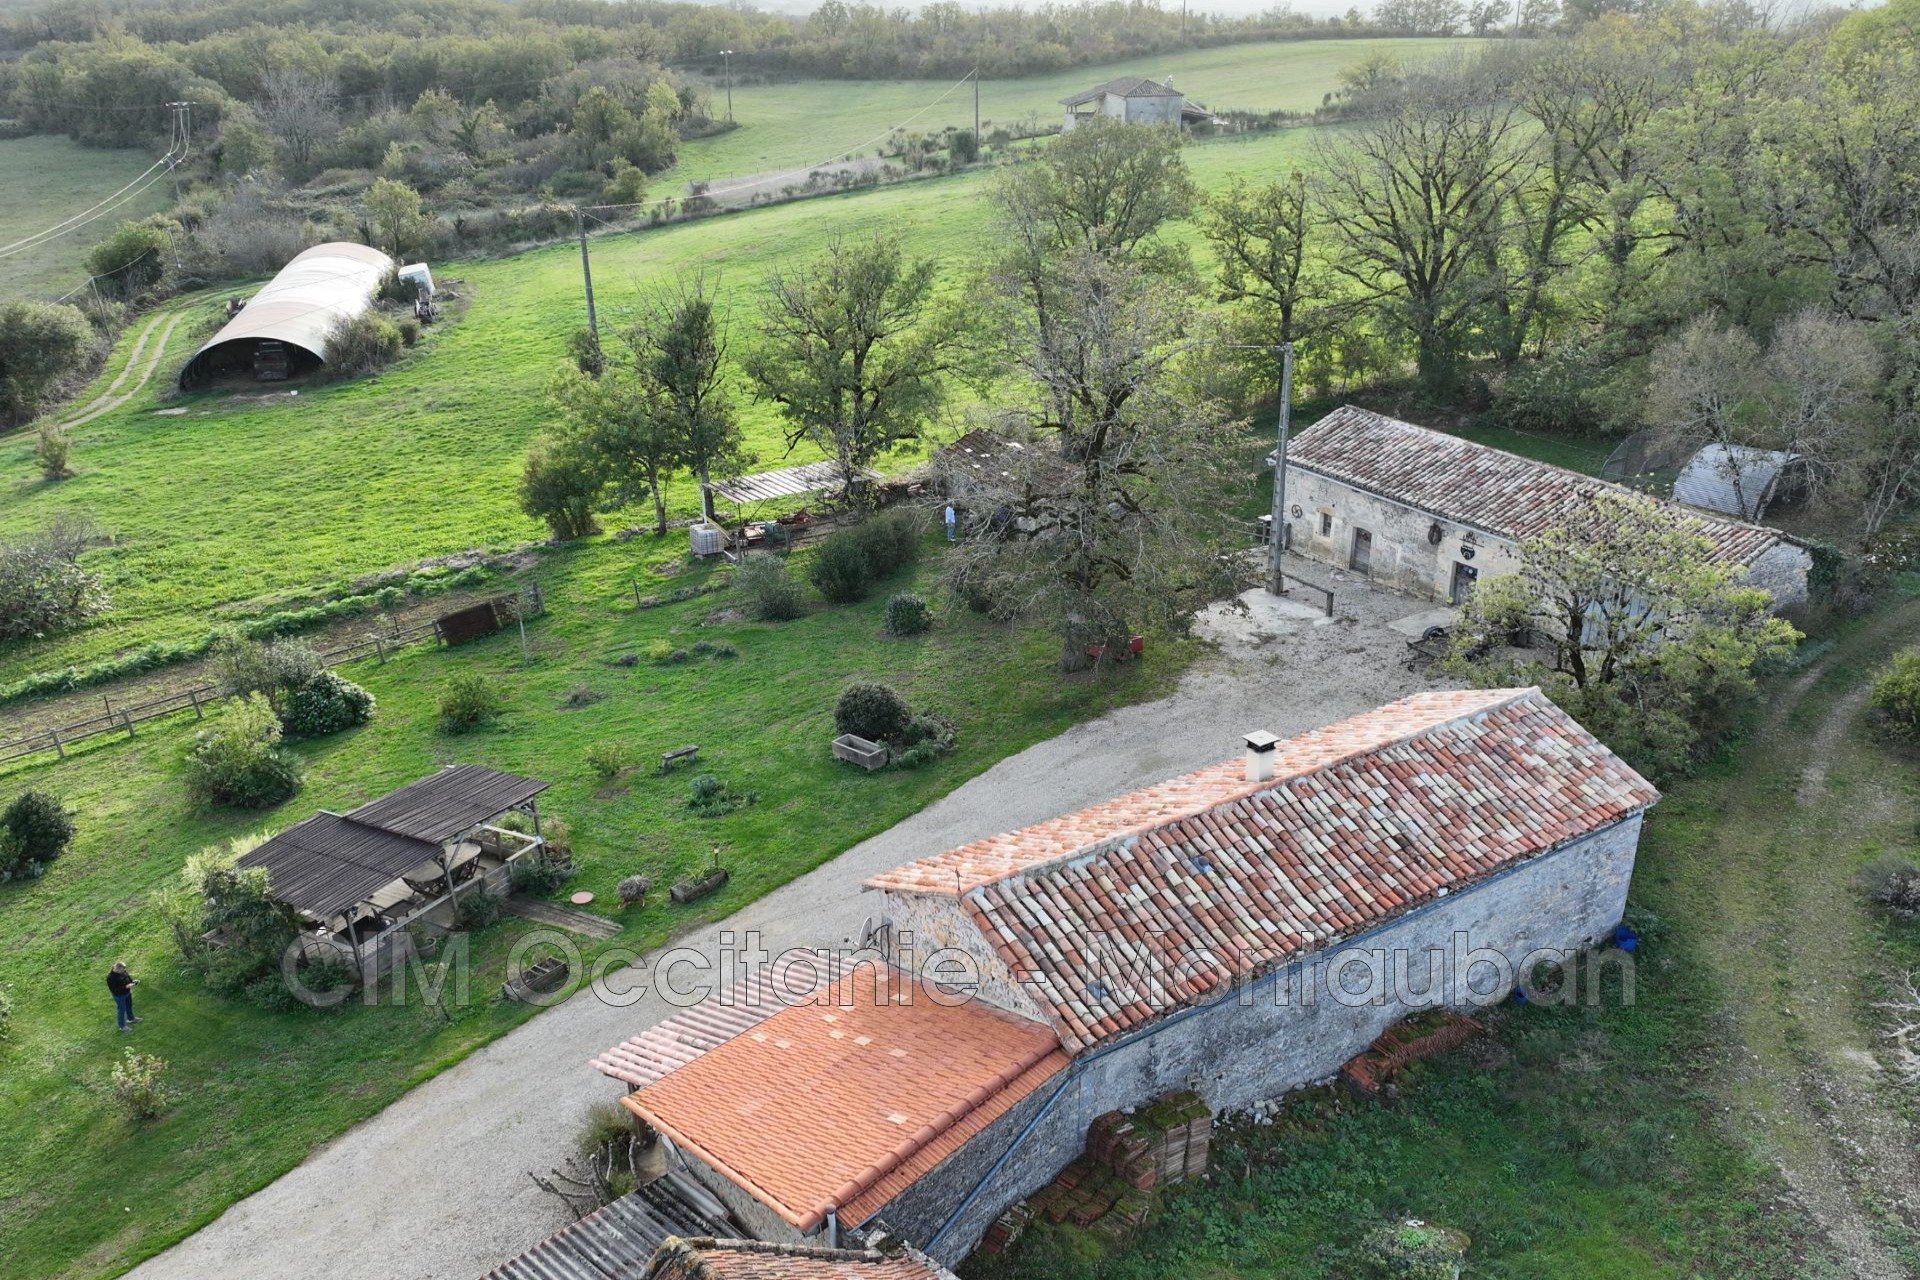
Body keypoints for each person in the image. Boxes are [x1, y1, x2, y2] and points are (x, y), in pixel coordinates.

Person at [108, 961, 141, 1032]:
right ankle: (122, 1026)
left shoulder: (123, 970)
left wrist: (133, 981)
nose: (124, 971)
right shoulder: (111, 977)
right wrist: (126, 986)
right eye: (122, 970)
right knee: (121, 1010)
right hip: (119, 996)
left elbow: (127, 977)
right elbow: (114, 990)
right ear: (117, 969)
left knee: (129, 1006)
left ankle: (131, 1018)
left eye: (124, 970)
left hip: (128, 993)